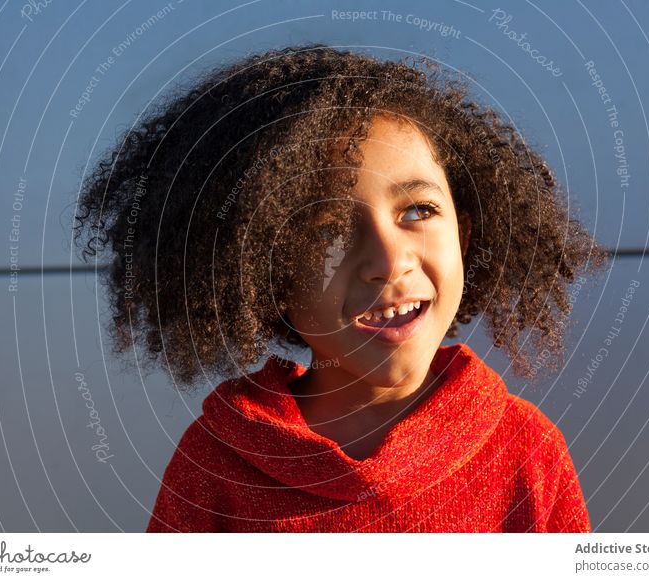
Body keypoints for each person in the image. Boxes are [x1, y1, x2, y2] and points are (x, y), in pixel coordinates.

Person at [74, 44, 608, 532]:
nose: (389, 260)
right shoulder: (217, 465)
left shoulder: (525, 451)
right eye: (329, 228)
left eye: (418, 210)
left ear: (463, 235)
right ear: (264, 272)